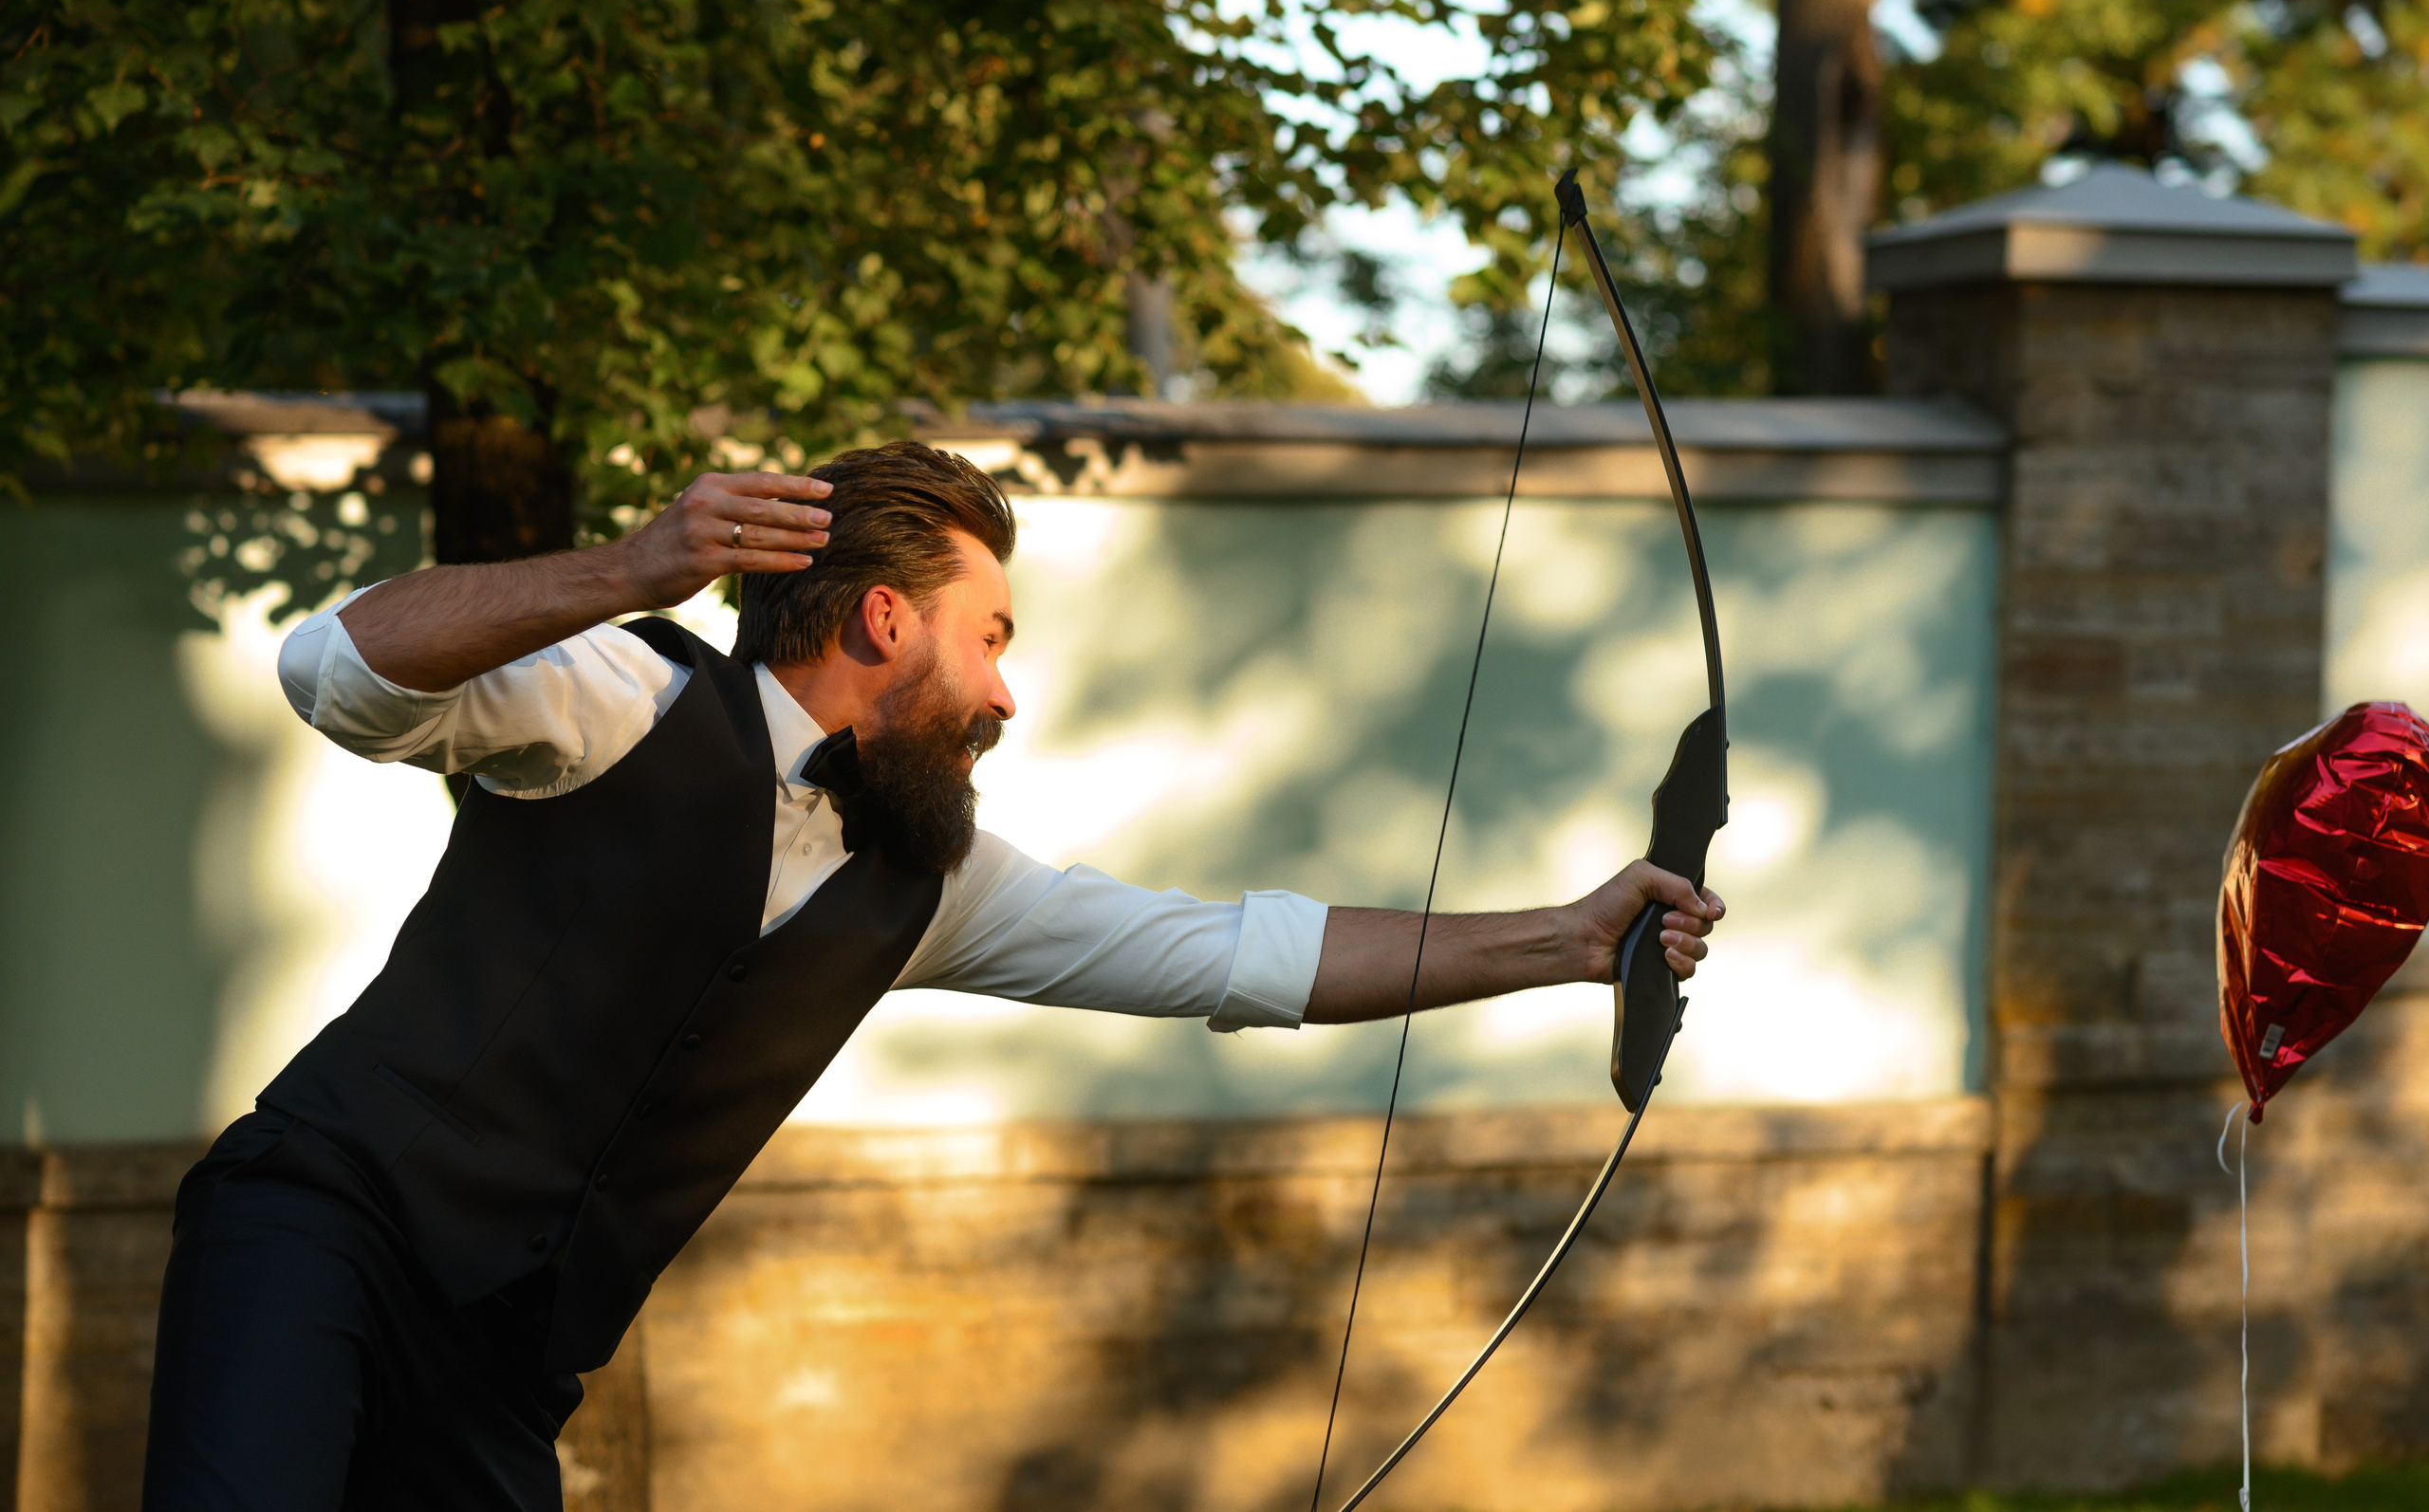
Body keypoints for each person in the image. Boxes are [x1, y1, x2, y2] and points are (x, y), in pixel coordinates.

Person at [141, 440, 1725, 1510]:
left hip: (509, 1361)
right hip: (325, 1229)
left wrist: (1563, 944)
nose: (1007, 695)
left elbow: (1238, 955)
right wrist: (633, 567)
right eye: (992, 640)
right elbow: (332, 673)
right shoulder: (614, 695)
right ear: (887, 620)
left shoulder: (933, 885)